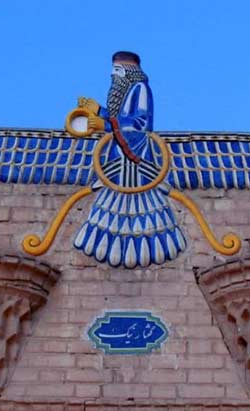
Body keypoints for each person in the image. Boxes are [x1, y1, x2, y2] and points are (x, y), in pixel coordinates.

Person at [72, 51, 186, 268]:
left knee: (144, 210)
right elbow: (120, 117)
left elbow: (139, 124)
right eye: (112, 71)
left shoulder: (140, 89)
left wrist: (104, 125)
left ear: (128, 71)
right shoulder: (126, 91)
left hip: (138, 160)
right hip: (118, 160)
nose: (113, 76)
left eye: (117, 71)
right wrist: (98, 110)